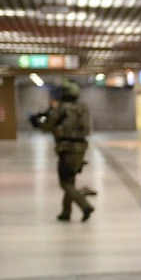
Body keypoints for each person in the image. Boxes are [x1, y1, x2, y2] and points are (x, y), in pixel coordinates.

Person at [37, 79, 95, 222]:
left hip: (66, 148)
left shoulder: (61, 109)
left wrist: (40, 119)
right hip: (81, 148)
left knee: (65, 183)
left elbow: (47, 126)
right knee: (70, 180)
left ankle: (85, 205)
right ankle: (66, 211)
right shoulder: (83, 108)